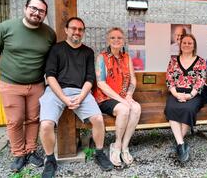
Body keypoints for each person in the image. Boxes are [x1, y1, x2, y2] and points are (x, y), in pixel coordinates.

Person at [39, 17, 113, 177]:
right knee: (46, 124)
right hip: (56, 90)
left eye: (80, 29)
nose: (77, 32)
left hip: (80, 92)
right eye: (73, 28)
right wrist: (64, 99)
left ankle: (99, 152)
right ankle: (50, 159)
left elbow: (89, 78)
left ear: (83, 32)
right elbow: (50, 76)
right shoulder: (56, 49)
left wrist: (80, 97)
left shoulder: (87, 52)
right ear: (66, 30)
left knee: (98, 120)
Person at [0, 0, 56, 172]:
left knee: (34, 119)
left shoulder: (49, 34)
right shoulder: (5, 28)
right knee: (15, 120)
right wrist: (14, 68)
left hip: (36, 84)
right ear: (25, 8)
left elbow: (49, 58)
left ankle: (31, 151)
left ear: (44, 14)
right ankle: (19, 154)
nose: (36, 13)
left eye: (41, 11)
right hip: (10, 83)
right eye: (33, 8)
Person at [93, 27, 141, 167]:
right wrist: (123, 100)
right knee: (124, 110)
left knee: (136, 108)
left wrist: (129, 95)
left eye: (119, 37)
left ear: (123, 40)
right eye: (113, 38)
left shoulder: (127, 57)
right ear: (108, 40)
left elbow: (133, 79)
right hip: (105, 98)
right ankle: (116, 146)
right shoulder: (101, 57)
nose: (116, 40)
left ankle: (125, 146)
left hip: (123, 97)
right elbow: (101, 84)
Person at [165, 34, 207, 162]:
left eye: (190, 43)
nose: (187, 45)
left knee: (188, 109)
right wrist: (176, 94)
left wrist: (189, 95)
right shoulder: (173, 60)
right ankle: (181, 144)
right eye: (184, 42)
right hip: (176, 92)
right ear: (180, 44)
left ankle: (179, 142)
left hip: (194, 93)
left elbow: (201, 81)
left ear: (194, 45)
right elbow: (169, 79)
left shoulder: (201, 61)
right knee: (171, 108)